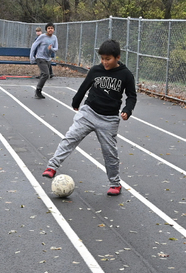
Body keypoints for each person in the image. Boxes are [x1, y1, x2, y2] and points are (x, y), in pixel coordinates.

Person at [42, 39, 136, 197]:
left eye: (108, 59)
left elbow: (131, 96)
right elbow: (85, 86)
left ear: (117, 57)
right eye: (102, 59)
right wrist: (76, 101)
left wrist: (127, 110)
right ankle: (52, 166)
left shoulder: (125, 75)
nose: (105, 62)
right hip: (89, 112)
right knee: (71, 137)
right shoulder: (96, 70)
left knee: (109, 152)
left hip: (109, 119)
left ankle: (115, 184)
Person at [29, 23, 58, 99]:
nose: (50, 29)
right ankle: (38, 91)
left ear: (54, 30)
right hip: (40, 57)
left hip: (48, 58)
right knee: (46, 74)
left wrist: (51, 49)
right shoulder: (42, 37)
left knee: (44, 75)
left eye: (52, 28)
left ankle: (39, 90)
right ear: (46, 30)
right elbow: (34, 46)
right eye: (49, 28)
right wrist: (31, 57)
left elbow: (56, 49)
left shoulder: (54, 38)